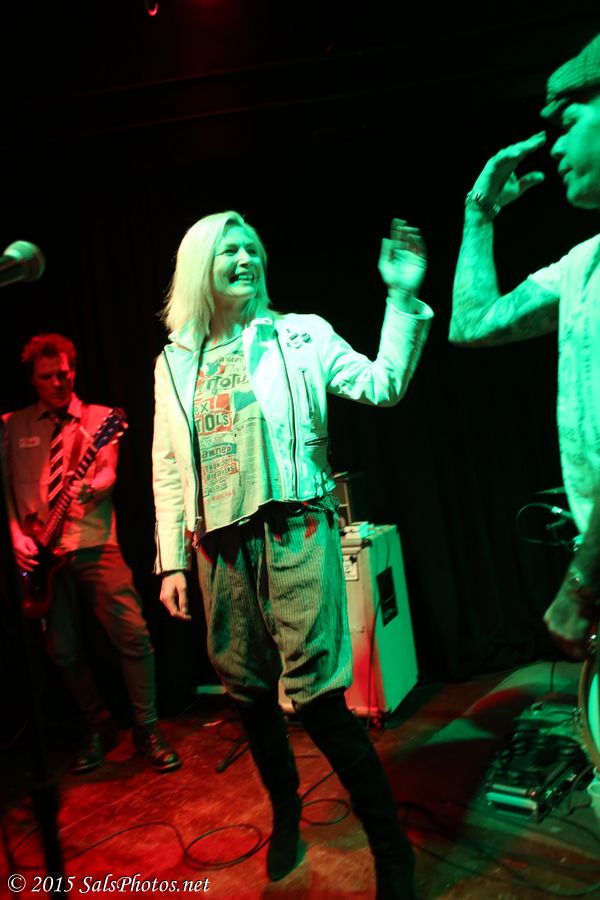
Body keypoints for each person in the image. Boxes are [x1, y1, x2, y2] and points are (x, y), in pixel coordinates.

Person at [152, 210, 433, 896]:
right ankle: (286, 811)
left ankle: (391, 848)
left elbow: (383, 383)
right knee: (248, 691)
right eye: (229, 250)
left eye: (251, 247)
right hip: (218, 545)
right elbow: (166, 466)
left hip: (294, 526)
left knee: (316, 698)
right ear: (199, 267)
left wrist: (400, 297)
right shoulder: (174, 361)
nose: (245, 258)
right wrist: (170, 560)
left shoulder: (300, 334)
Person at [448, 33, 600, 661]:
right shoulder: (584, 266)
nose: (555, 147)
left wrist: (582, 582)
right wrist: (479, 212)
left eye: (569, 123)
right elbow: (472, 323)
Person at [2, 333, 181, 774]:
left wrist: (93, 486)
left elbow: (108, 474)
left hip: (94, 541)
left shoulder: (99, 419)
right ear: (33, 379)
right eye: (47, 376)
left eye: (64, 374)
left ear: (73, 371)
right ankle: (98, 725)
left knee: (133, 633)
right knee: (61, 649)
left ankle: (147, 727)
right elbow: (5, 488)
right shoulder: (12, 425)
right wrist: (14, 534)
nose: (57, 383)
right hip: (39, 555)